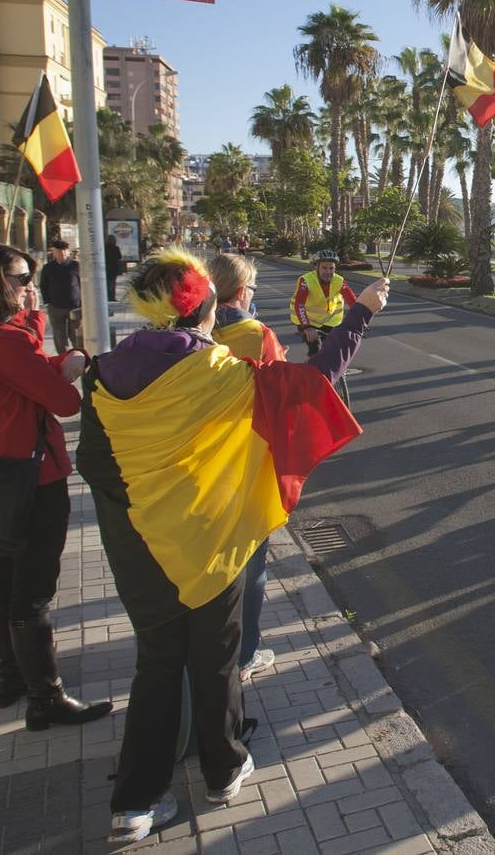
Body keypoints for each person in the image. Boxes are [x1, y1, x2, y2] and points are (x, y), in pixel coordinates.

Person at [78, 249, 387, 842]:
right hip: (210, 540)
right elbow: (311, 382)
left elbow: (93, 463)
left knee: (156, 663)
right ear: (204, 307)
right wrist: (362, 312)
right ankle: (222, 773)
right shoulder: (219, 372)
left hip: (140, 546)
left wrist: (144, 513)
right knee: (216, 658)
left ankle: (135, 804)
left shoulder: (103, 371)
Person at [0, 242, 114, 726]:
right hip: (33, 477)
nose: (29, 287)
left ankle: (10, 677)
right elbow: (63, 402)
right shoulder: (3, 340)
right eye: (20, 278)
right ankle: (46, 697)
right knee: (31, 594)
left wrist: (34, 329)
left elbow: (19, 378)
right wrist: (71, 366)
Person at [209, 254, 286, 681]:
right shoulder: (257, 335)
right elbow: (283, 394)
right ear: (241, 291)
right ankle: (244, 654)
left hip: (203, 464)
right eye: (252, 287)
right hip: (249, 462)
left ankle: (213, 648)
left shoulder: (194, 330)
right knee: (252, 565)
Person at [290, 250, 358, 356]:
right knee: (316, 349)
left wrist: (360, 320)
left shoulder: (339, 281)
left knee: (334, 352)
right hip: (308, 322)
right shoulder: (306, 281)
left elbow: (353, 302)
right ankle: (312, 363)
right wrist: (306, 327)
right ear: (316, 267)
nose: (328, 272)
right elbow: (299, 304)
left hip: (330, 322)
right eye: (324, 268)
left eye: (331, 268)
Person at [38, 239, 80, 353]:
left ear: (68, 252)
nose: (62, 254)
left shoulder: (76, 266)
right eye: (58, 252)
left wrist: (82, 302)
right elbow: (43, 285)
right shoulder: (48, 268)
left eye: (64, 251)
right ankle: (62, 356)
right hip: (55, 307)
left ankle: (79, 355)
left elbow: (83, 284)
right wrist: (48, 301)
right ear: (54, 252)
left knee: (76, 334)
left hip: (74, 306)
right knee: (59, 335)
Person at [105, 234, 124, 303]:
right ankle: (112, 297)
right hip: (114, 268)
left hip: (106, 267)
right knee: (113, 283)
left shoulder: (104, 248)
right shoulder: (116, 248)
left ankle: (107, 296)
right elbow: (119, 257)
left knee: (107, 282)